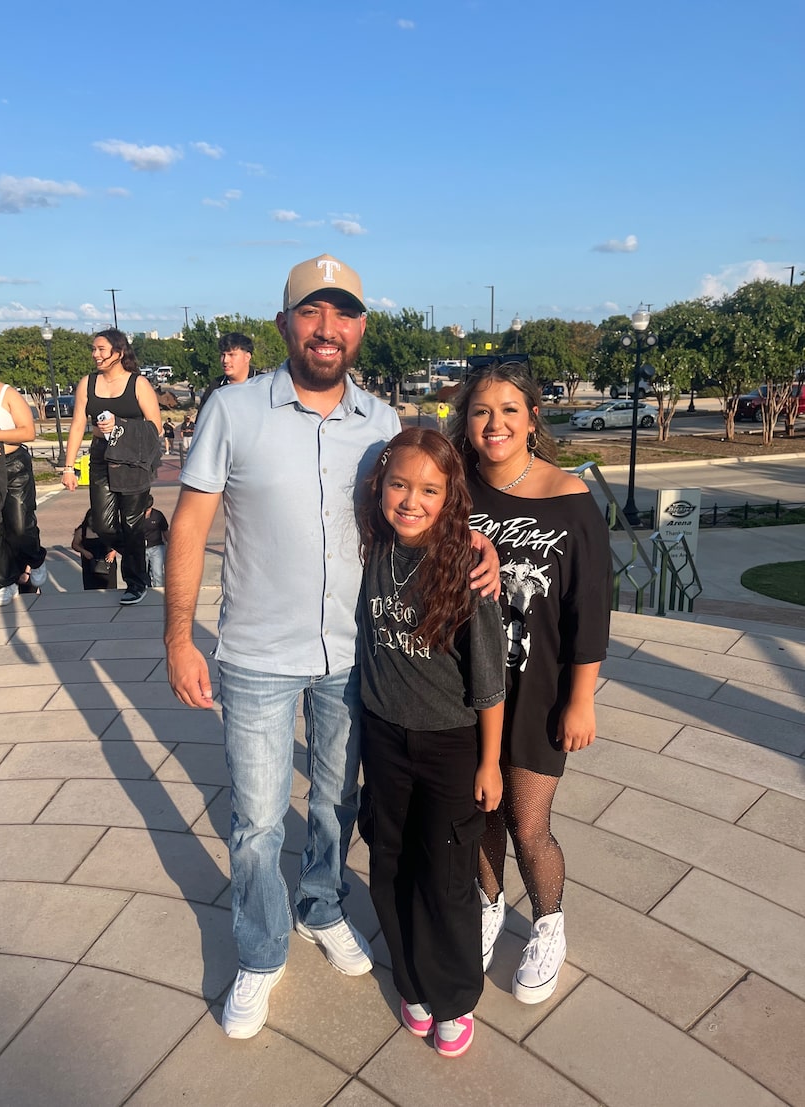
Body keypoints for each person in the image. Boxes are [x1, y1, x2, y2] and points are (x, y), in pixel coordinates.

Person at [164, 253, 500, 1042]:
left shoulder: (382, 424)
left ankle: (321, 903)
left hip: (357, 657)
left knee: (337, 806)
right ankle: (258, 949)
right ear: (286, 324)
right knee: (254, 821)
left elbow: (432, 493)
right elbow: (189, 524)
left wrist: (476, 540)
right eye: (310, 312)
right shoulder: (233, 410)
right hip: (253, 654)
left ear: (359, 328)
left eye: (342, 313)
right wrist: (179, 636)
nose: (327, 328)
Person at [449, 360, 611, 1006]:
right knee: (479, 806)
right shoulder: (455, 489)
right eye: (482, 410)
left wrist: (581, 697)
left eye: (509, 410)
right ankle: (489, 905)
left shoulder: (568, 496)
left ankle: (548, 922)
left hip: (540, 686)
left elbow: (591, 607)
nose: (495, 423)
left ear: (532, 418)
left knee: (528, 819)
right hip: (465, 683)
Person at [356, 428, 506, 1059]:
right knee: (390, 861)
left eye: (428, 490)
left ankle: (453, 996)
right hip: (384, 737)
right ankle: (411, 980)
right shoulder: (371, 550)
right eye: (398, 485)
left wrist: (491, 762)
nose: (410, 501)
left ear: (451, 497)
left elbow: (489, 679)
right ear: (380, 487)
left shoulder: (468, 567)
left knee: (445, 874)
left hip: (451, 745)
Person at [61, 328, 162, 606]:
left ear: (118, 352)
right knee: (103, 524)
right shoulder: (88, 383)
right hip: (101, 457)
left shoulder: (138, 384)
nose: (96, 354)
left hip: (133, 460)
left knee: (132, 523)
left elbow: (157, 427)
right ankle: (136, 554)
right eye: (93, 349)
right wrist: (69, 467)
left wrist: (121, 425)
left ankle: (136, 582)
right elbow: (78, 425)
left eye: (102, 349)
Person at [0, 341, 47, 606]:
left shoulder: (7, 393)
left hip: (13, 466)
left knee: (18, 525)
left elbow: (28, 432)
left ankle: (36, 558)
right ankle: (4, 582)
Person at [197, 332, 254, 417]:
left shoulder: (265, 384)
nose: (225, 360)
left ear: (247, 357)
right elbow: (202, 422)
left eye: (231, 355)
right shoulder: (215, 387)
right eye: (223, 355)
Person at [71, 508, 118, 590]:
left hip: (107, 562)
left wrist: (113, 552)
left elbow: (119, 542)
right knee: (91, 588)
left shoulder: (108, 529)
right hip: (90, 563)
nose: (92, 522)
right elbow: (75, 545)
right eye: (91, 520)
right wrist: (84, 551)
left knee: (110, 588)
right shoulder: (82, 531)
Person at [143, 494, 169, 586]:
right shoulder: (137, 515)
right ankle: (145, 589)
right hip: (141, 548)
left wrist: (170, 544)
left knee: (157, 573)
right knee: (142, 573)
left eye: (148, 509)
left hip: (156, 547)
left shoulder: (158, 515)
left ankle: (158, 591)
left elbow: (165, 530)